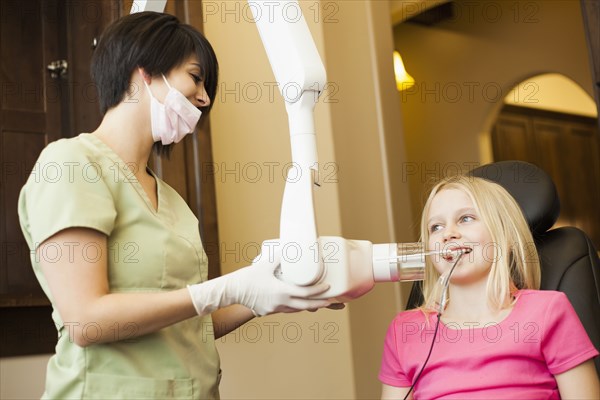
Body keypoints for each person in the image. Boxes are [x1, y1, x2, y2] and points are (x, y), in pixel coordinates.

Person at [18, 11, 334, 399]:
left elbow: (188, 324)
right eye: (196, 77)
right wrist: (227, 287)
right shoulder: (71, 164)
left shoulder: (170, 199)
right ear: (144, 71)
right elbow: (86, 320)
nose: (205, 97)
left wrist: (269, 292)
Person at [379, 175, 599, 399]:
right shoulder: (404, 331)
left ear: (503, 235)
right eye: (436, 227)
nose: (448, 234)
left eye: (465, 218)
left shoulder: (548, 311)